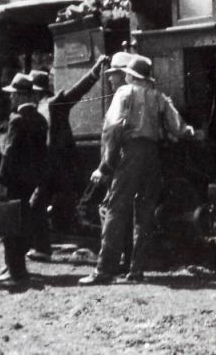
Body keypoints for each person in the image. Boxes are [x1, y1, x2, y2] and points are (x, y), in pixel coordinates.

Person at [79, 55, 195, 285]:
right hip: (152, 157)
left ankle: (105, 269)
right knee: (144, 212)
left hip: (129, 154)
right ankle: (136, 270)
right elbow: (179, 128)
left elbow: (112, 130)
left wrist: (105, 166)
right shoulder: (159, 97)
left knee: (116, 208)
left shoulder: (124, 93)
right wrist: (191, 132)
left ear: (130, 76)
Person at [27, 56, 108, 262]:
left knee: (42, 206)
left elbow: (77, 91)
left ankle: (44, 249)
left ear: (37, 92)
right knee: (44, 207)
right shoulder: (33, 111)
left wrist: (95, 71)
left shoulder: (55, 104)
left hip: (61, 167)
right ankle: (43, 248)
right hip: (49, 168)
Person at [0, 73, 48, 284]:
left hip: (14, 181)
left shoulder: (16, 121)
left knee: (9, 226)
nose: (11, 99)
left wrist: (1, 179)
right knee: (24, 222)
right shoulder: (40, 120)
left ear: (19, 96)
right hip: (30, 181)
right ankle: (16, 268)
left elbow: (9, 153)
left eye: (13, 95)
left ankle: (14, 270)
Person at [75, 51, 132, 229]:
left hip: (117, 163)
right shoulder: (138, 96)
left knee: (114, 211)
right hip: (127, 162)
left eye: (112, 75)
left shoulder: (122, 98)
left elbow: (113, 133)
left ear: (123, 75)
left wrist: (103, 167)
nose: (109, 80)